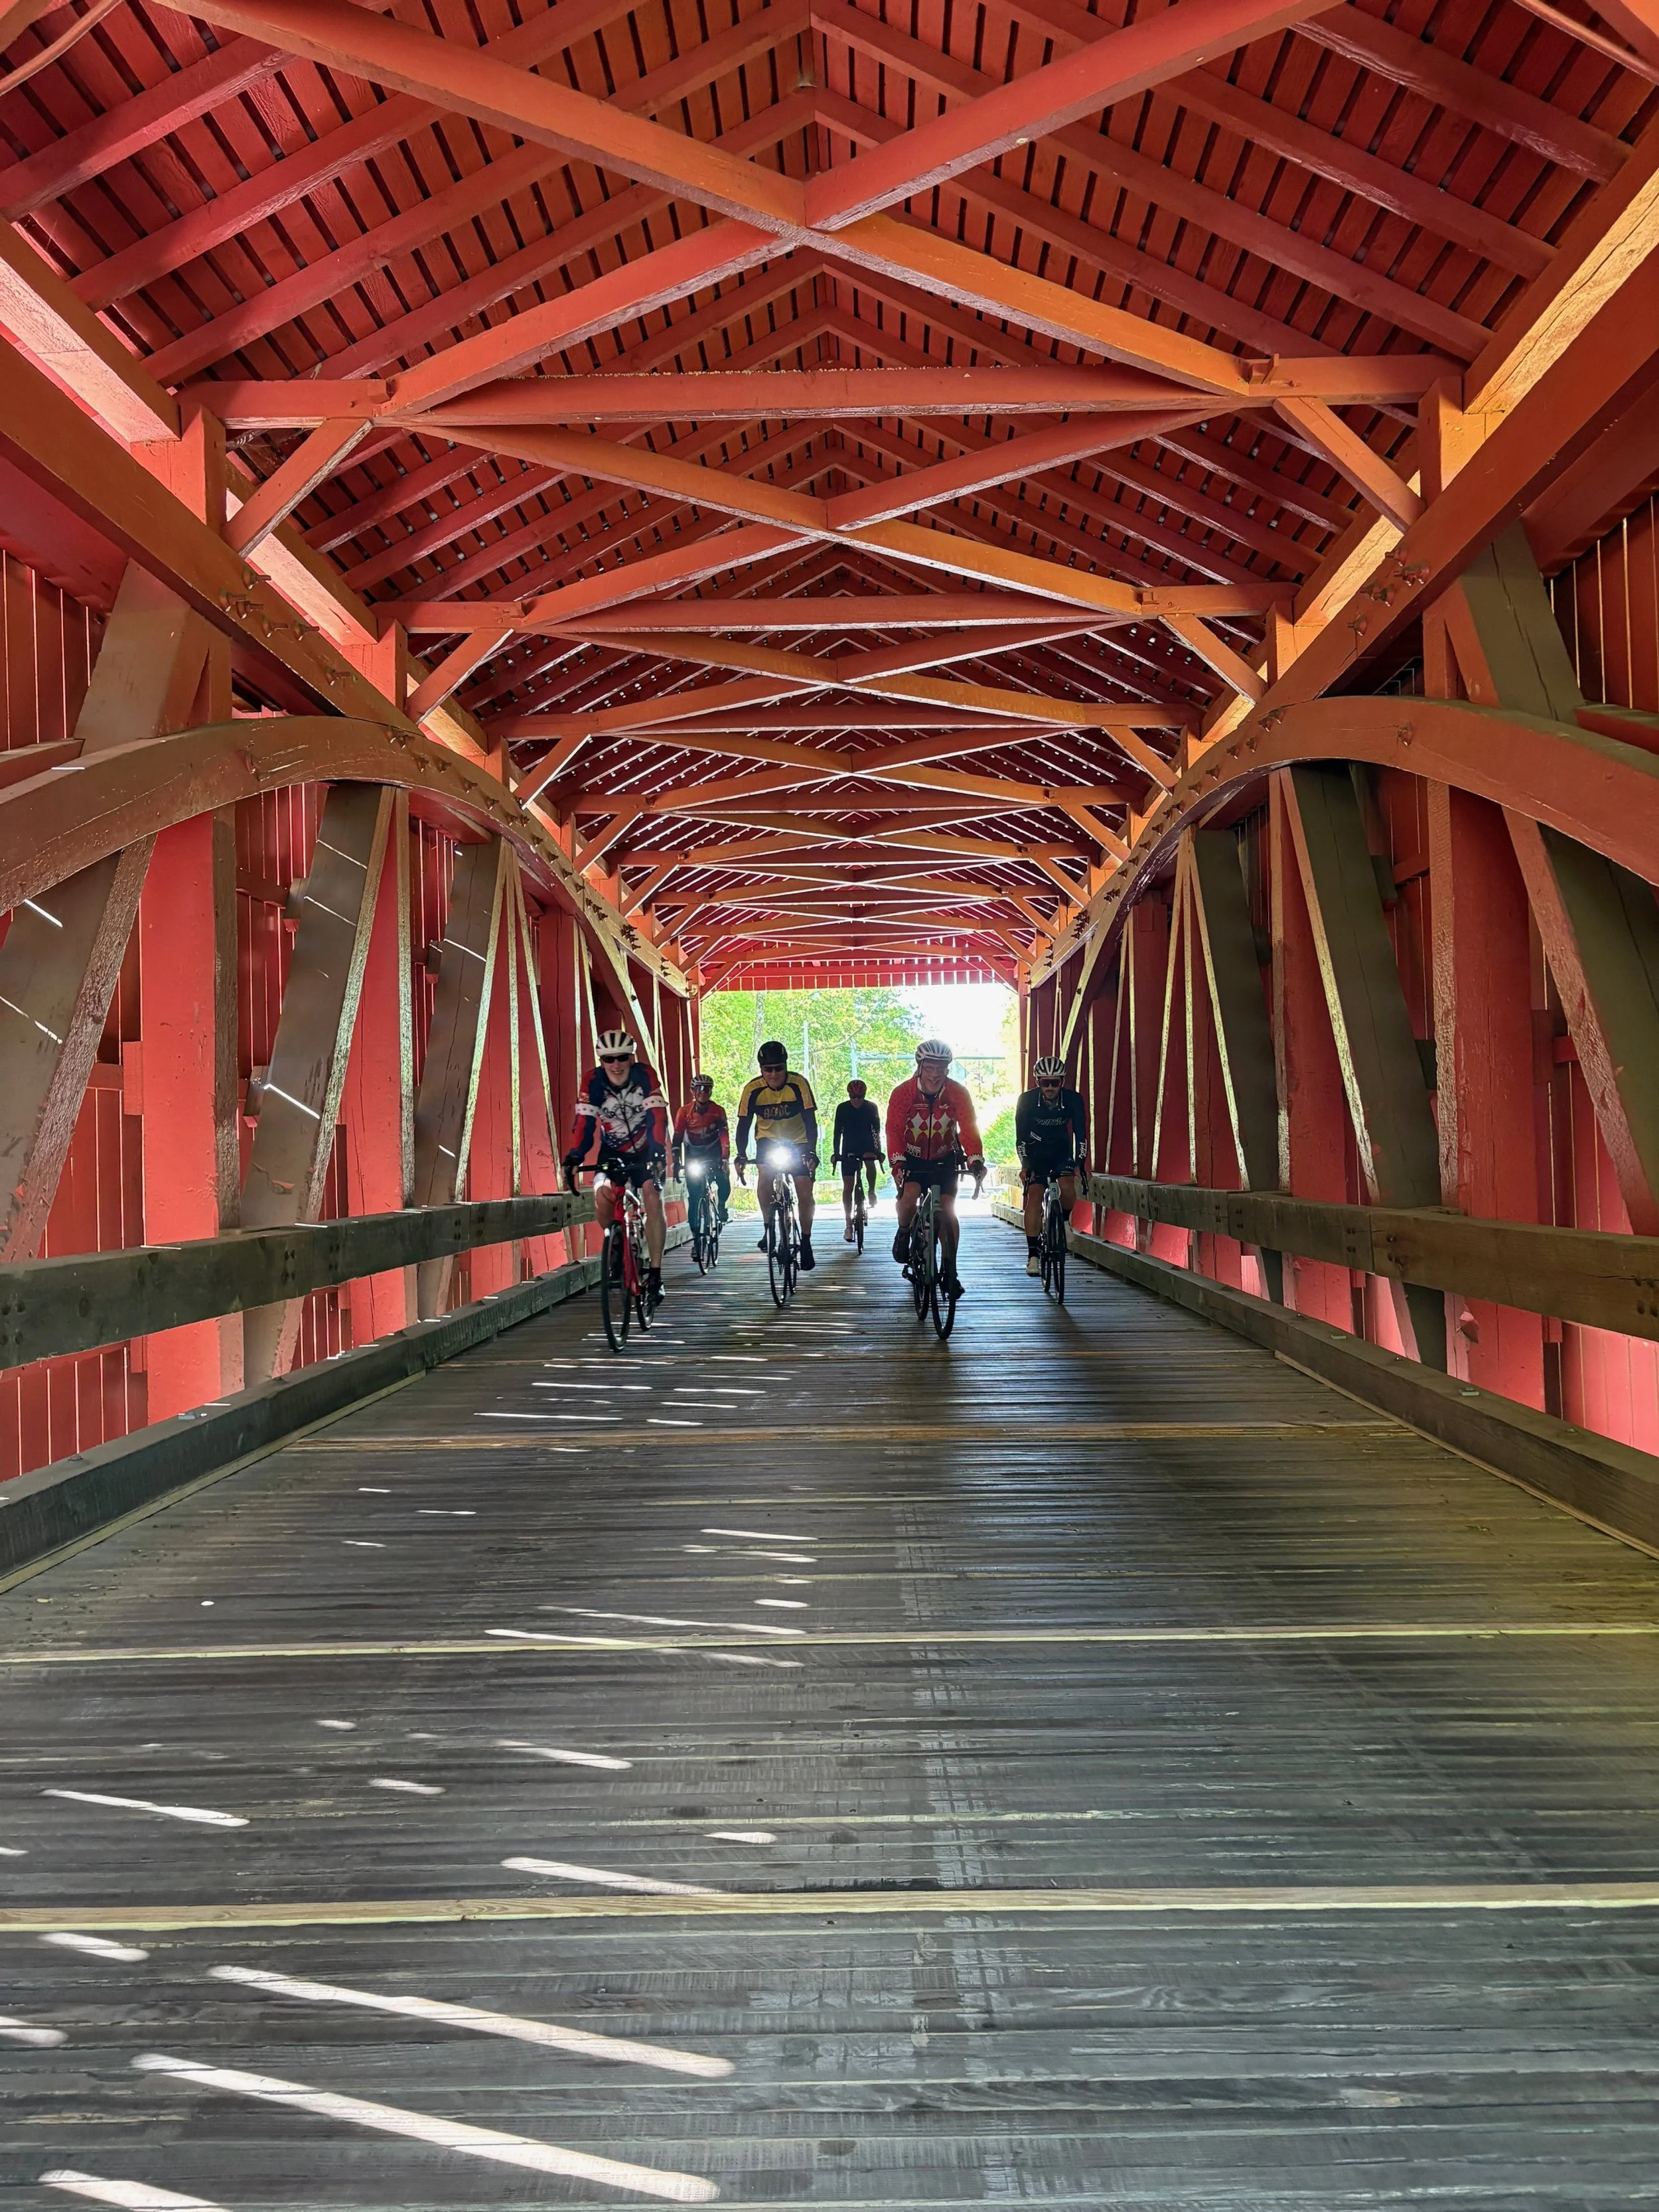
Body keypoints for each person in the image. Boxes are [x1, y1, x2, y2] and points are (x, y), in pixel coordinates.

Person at [562, 1027, 669, 1305]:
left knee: (653, 1199)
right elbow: (584, 1123)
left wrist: (658, 1152)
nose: (616, 1064)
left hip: (646, 1150)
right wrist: (575, 1155)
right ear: (601, 1062)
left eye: (622, 1057)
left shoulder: (645, 1075)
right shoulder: (593, 1082)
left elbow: (657, 1116)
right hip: (612, 1151)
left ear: (632, 1058)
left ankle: (655, 1275)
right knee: (601, 1194)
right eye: (609, 1059)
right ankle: (616, 1244)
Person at [885, 1039, 985, 1299]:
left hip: (945, 1158)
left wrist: (975, 1158)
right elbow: (894, 1129)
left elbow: (968, 1127)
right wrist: (897, 1161)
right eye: (930, 1067)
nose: (935, 1074)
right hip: (912, 1159)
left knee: (947, 1210)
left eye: (941, 1068)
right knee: (909, 1198)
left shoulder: (957, 1093)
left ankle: (950, 1270)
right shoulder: (903, 1093)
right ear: (920, 1067)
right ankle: (905, 1231)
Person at [735, 1041, 820, 1271]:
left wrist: (812, 1151)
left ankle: (807, 1240)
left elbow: (811, 1123)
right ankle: (768, 1226)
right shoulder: (752, 1090)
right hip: (768, 1141)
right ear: (761, 1069)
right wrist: (741, 1155)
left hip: (798, 1142)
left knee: (804, 1189)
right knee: (764, 1176)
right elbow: (743, 1125)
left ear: (786, 1066)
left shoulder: (799, 1084)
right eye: (768, 1069)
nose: (773, 1074)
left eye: (779, 1068)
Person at [1016, 1055, 1089, 1277]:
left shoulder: (1073, 1099)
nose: (1049, 1087)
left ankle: (1064, 1222)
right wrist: (1025, 1165)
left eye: (1055, 1082)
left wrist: (1081, 1164)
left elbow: (1080, 1133)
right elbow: (1020, 1138)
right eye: (1044, 1082)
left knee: (1068, 1188)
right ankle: (1033, 1255)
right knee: (1035, 1196)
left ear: (1062, 1082)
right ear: (1037, 1082)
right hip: (1035, 1152)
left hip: (1060, 1150)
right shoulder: (1027, 1100)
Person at [672, 1074, 731, 1250]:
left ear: (711, 1091)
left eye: (707, 1089)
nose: (703, 1092)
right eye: (699, 1089)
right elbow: (677, 1138)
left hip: (713, 1153)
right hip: (694, 1154)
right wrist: (676, 1161)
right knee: (694, 1196)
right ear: (693, 1091)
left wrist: (725, 1158)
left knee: (723, 1180)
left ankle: (721, 1205)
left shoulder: (718, 1111)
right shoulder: (684, 1112)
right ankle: (697, 1240)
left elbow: (724, 1136)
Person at [831, 1078, 883, 1241]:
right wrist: (836, 1153)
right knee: (848, 1186)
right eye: (853, 1096)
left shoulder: (871, 1108)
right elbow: (837, 1133)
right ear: (849, 1095)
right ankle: (848, 1225)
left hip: (867, 1145)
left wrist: (878, 1152)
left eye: (859, 1097)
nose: (856, 1100)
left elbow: (876, 1132)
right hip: (849, 1147)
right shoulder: (842, 1109)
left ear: (864, 1095)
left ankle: (871, 1191)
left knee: (870, 1162)